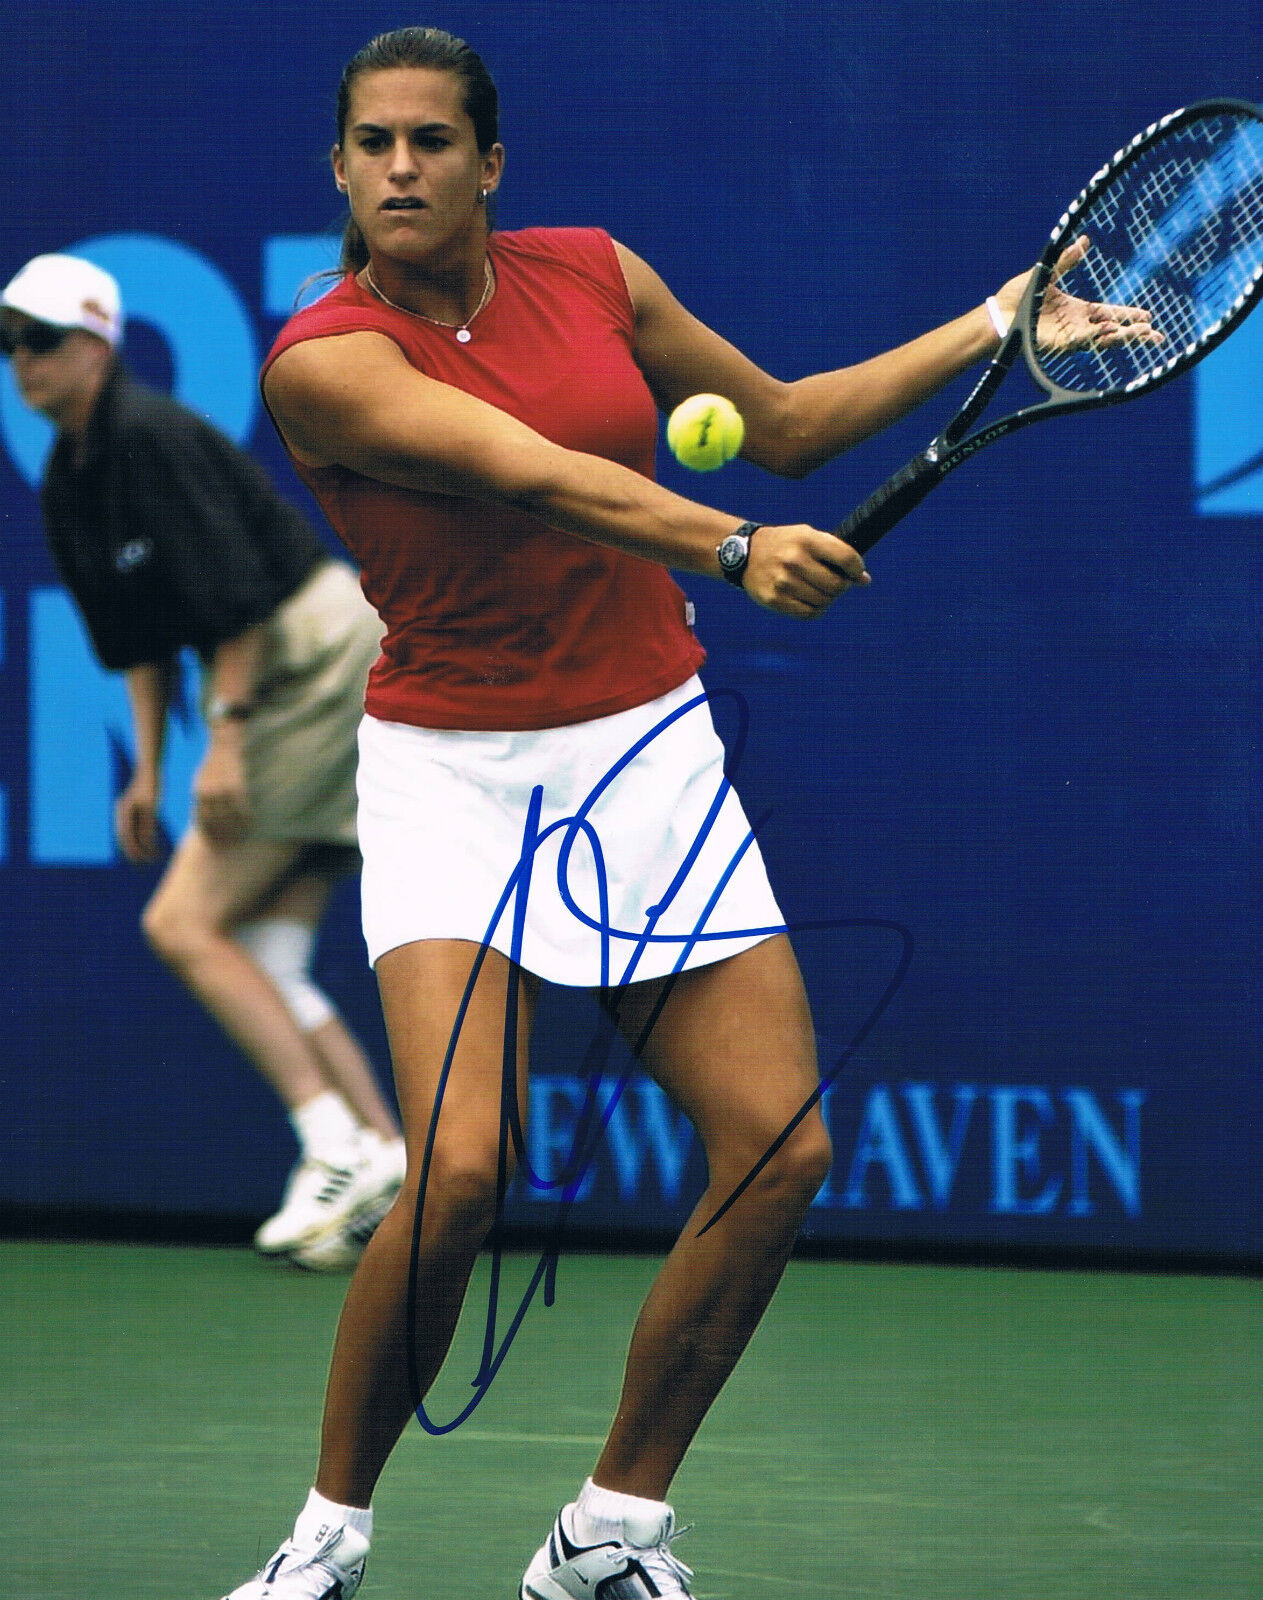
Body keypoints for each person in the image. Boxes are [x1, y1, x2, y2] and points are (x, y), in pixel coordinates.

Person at [218, 25, 1155, 1600]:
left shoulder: (592, 272)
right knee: (453, 1179)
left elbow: (782, 423)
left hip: (643, 751)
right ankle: (326, 1538)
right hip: (451, 777)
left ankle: (609, 1531)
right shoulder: (322, 359)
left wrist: (994, 322)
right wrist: (728, 549)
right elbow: (527, 472)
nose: (399, 168)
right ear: (338, 167)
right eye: (371, 143)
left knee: (778, 1151)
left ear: (489, 164)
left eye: (432, 142)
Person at [1, 252, 407, 1271]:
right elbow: (138, 639)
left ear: (98, 346)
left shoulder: (148, 437)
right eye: (11, 345)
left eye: (41, 341)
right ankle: (386, 1154)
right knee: (260, 957)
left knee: (181, 923)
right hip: (282, 672)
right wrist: (146, 769)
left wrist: (220, 746)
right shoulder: (68, 477)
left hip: (313, 659)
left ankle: (329, 1146)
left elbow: (237, 610)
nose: (22, 363)